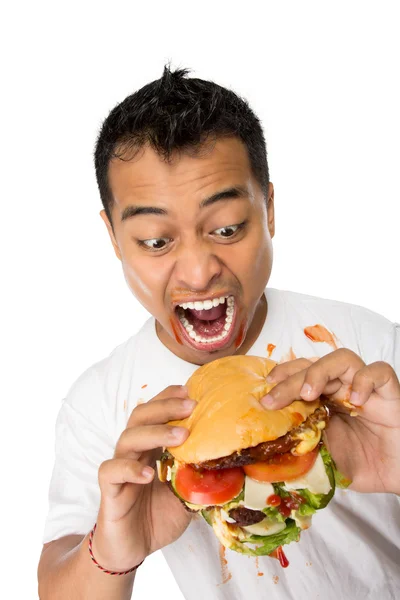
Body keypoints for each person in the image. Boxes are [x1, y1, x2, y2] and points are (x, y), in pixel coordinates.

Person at [37, 66, 400, 600]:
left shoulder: (365, 349)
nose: (198, 271)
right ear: (114, 237)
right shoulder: (99, 405)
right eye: (157, 241)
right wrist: (113, 552)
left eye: (227, 228)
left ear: (269, 209)